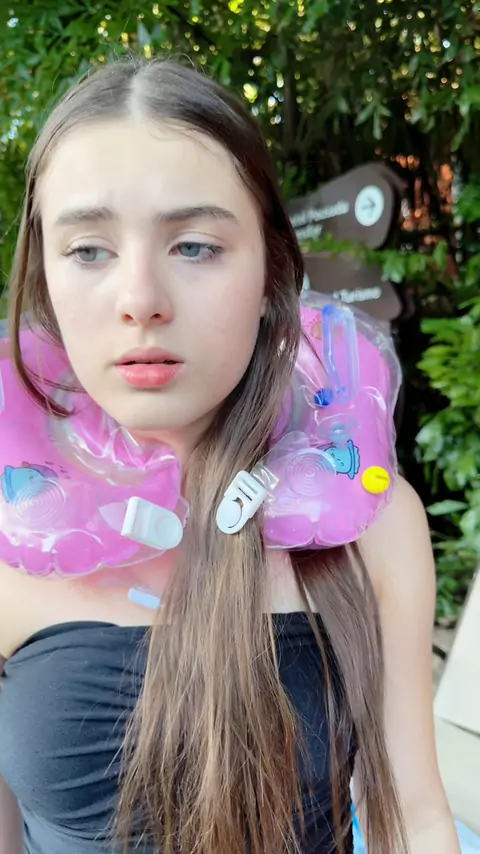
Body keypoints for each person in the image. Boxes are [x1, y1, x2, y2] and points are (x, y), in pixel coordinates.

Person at [0, 57, 459, 854]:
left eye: (195, 246)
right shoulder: (12, 531)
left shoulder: (375, 527)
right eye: (88, 250)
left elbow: (413, 819)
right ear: (44, 274)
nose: (140, 299)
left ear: (272, 270)